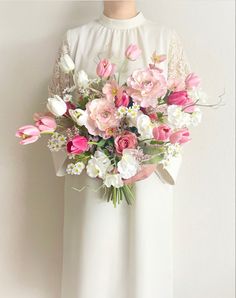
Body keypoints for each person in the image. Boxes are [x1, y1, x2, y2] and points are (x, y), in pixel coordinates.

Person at [48, 1, 191, 297]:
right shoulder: (76, 39)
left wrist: (156, 160)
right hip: (90, 179)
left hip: (147, 183)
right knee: (91, 267)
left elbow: (182, 112)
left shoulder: (164, 38)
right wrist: (87, 150)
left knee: (145, 268)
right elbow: (58, 113)